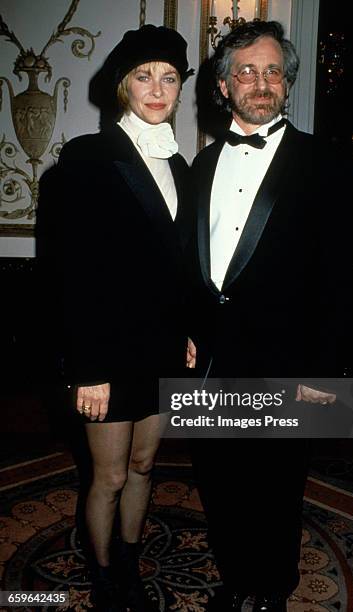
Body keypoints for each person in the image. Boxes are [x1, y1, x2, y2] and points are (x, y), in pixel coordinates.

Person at [187, 20, 353, 612]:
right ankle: (237, 582)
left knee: (276, 487)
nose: (261, 82)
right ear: (225, 86)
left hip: (289, 360)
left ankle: (272, 592)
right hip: (213, 360)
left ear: (287, 83)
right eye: (247, 72)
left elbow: (347, 279)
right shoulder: (201, 166)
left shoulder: (329, 164)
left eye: (273, 71)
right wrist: (189, 330)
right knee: (220, 480)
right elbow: (192, 261)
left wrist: (324, 370)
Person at [38, 25, 192, 612]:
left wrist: (187, 334)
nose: (157, 88)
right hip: (106, 351)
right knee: (107, 476)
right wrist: (89, 368)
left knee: (145, 464)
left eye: (170, 77)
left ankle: (129, 559)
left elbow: (177, 267)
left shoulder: (180, 165)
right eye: (144, 76)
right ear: (123, 86)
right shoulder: (88, 159)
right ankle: (105, 579)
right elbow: (69, 277)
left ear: (181, 88)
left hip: (159, 347)